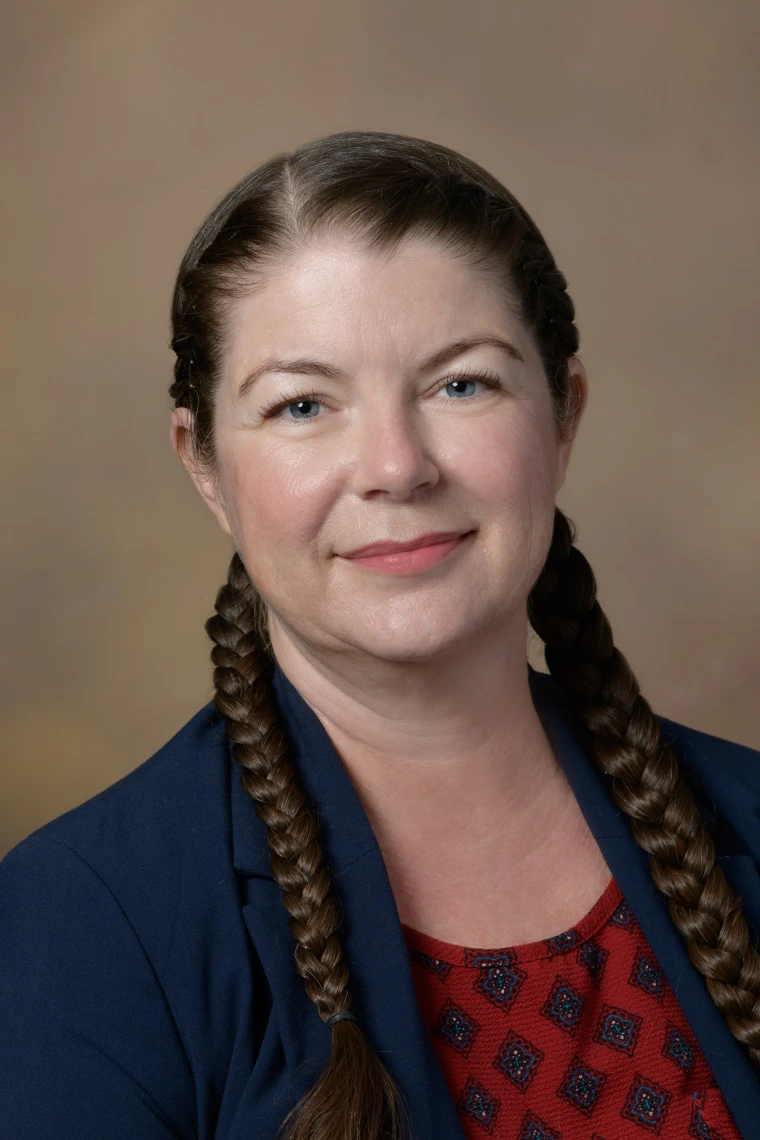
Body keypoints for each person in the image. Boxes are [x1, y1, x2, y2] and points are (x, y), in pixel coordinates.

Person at [1, 131, 758, 1140]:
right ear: (206, 467)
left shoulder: (747, 823)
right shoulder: (80, 927)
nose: (396, 467)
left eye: (461, 384)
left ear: (563, 414)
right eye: (303, 404)